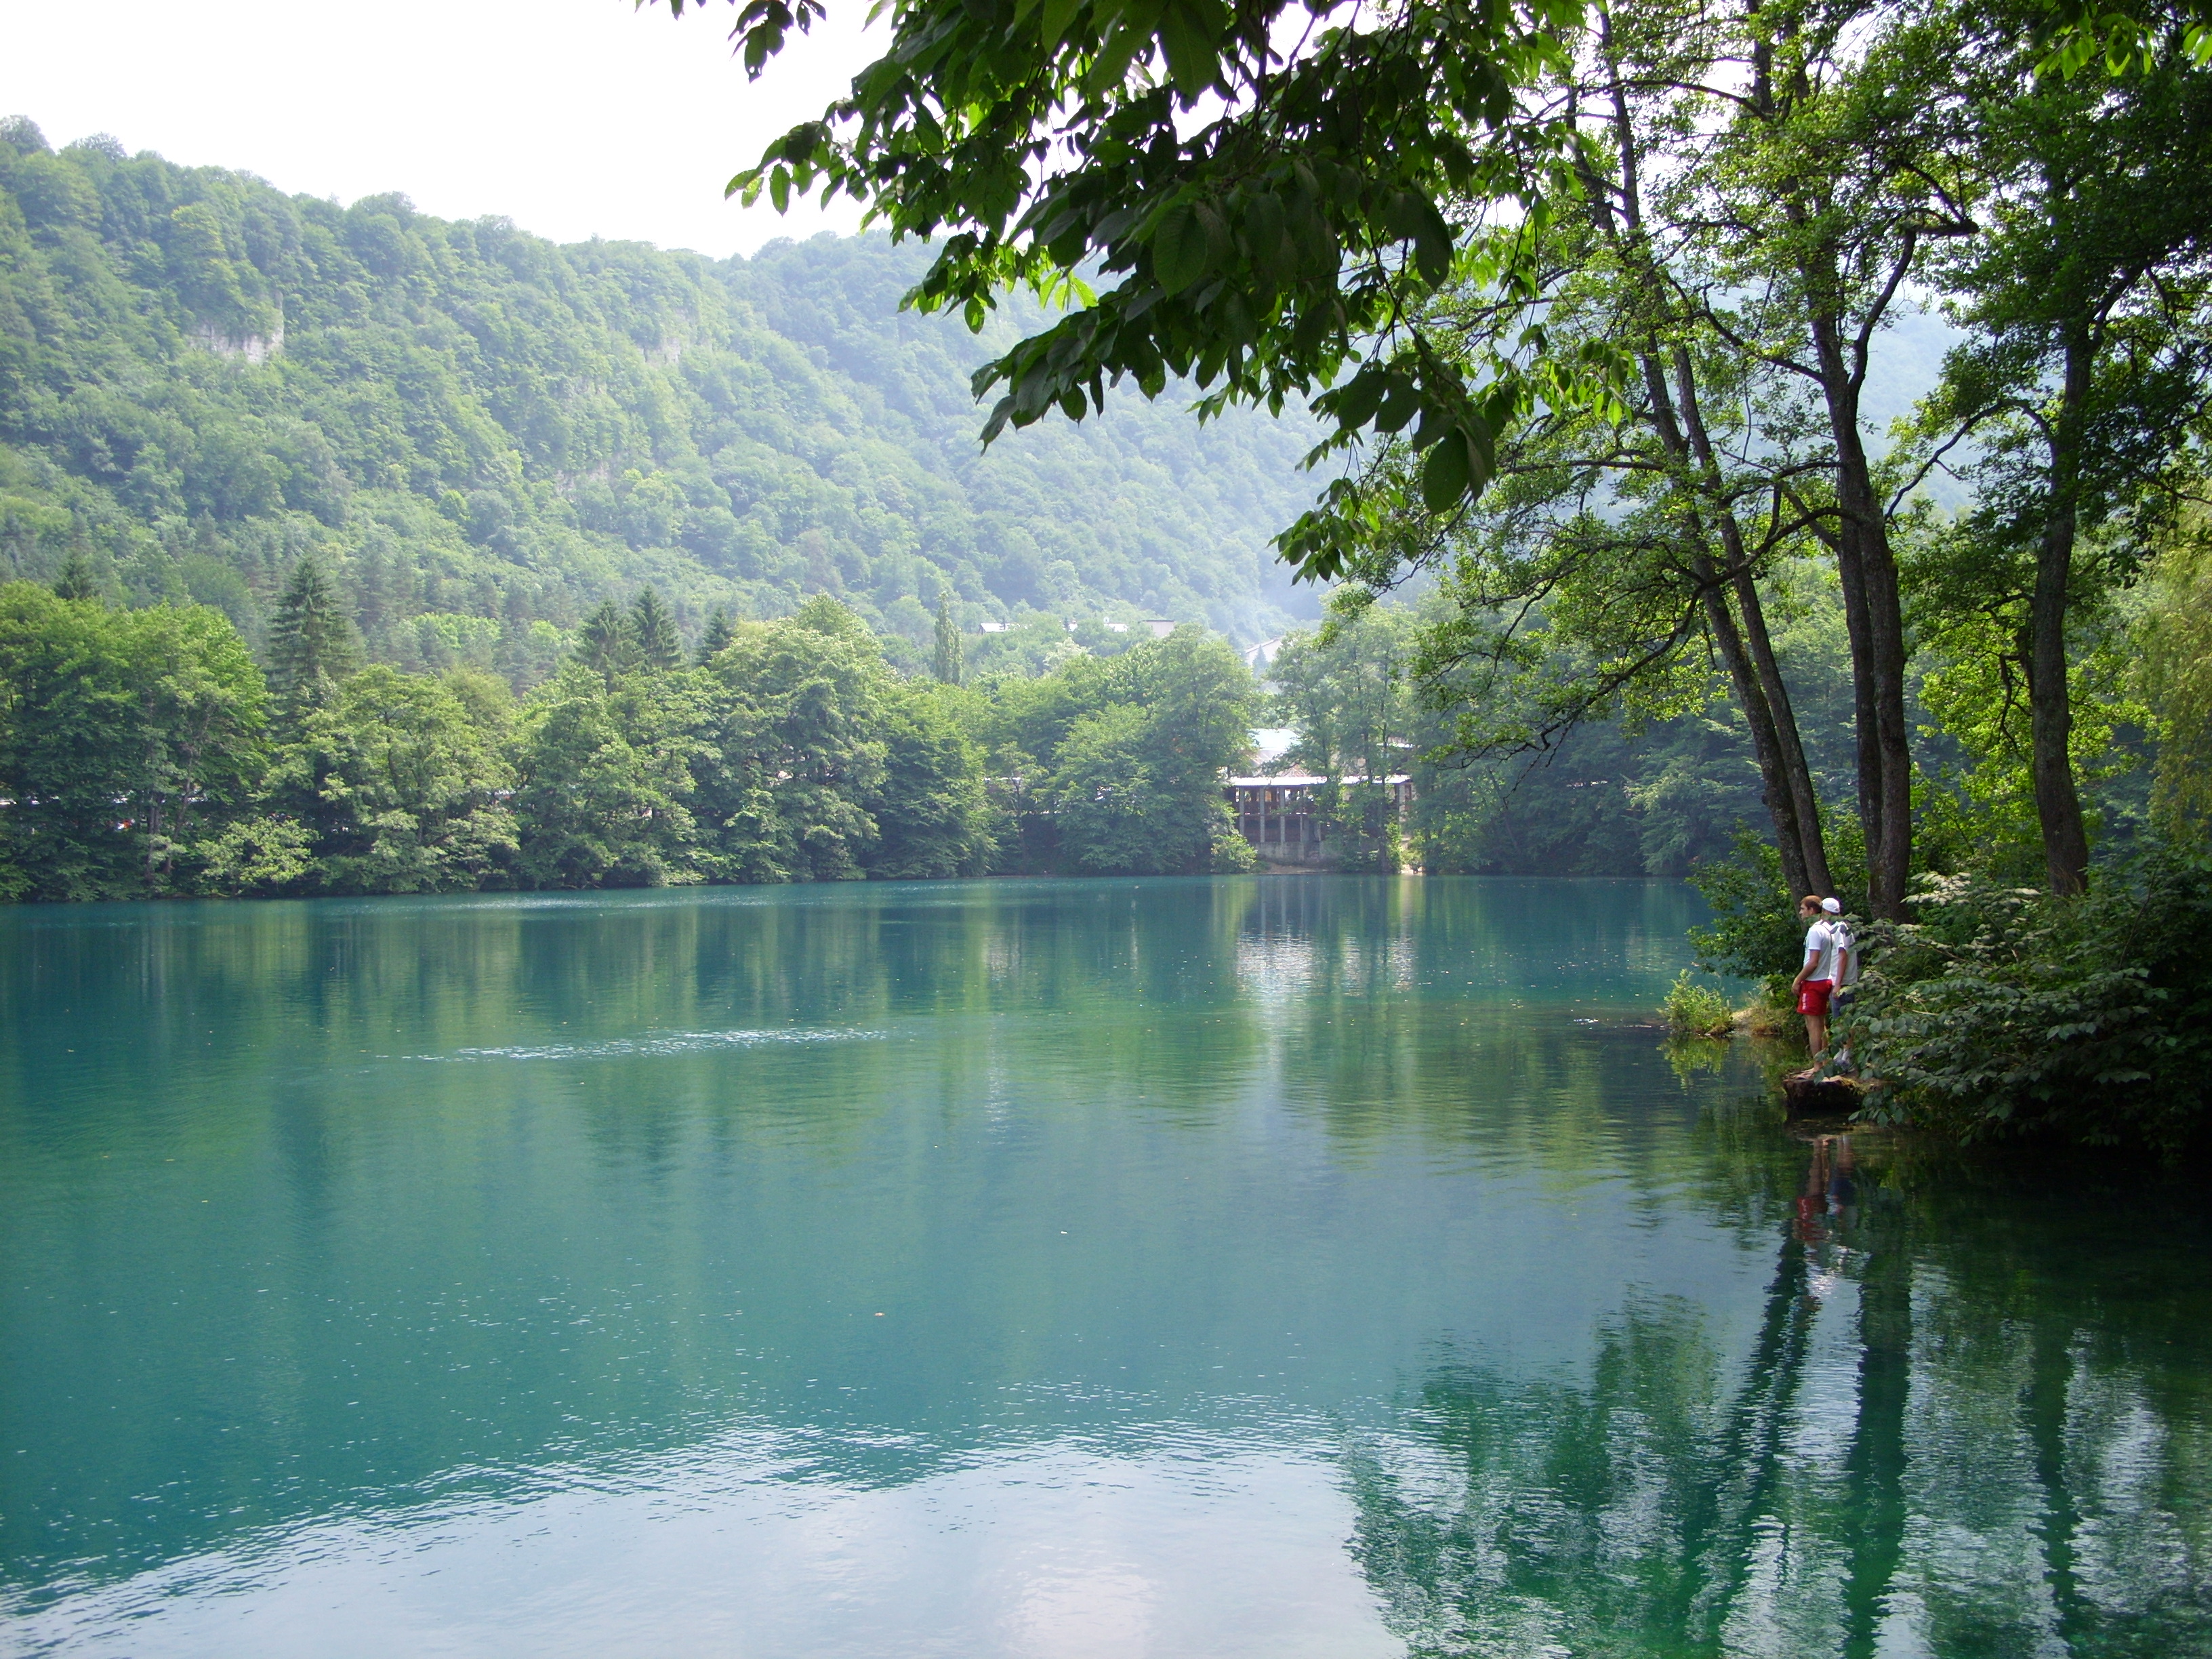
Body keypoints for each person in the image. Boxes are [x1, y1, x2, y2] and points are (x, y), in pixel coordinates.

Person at [1790, 894, 1840, 1058]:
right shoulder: (1828, 929)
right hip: (1826, 980)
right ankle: (1824, 1064)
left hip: (1813, 983)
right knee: (1821, 1024)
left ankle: (1817, 1066)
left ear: (1812, 910)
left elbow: (1813, 962)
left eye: (1803, 909)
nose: (1801, 913)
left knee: (1813, 1027)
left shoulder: (1815, 931)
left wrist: (1798, 980)